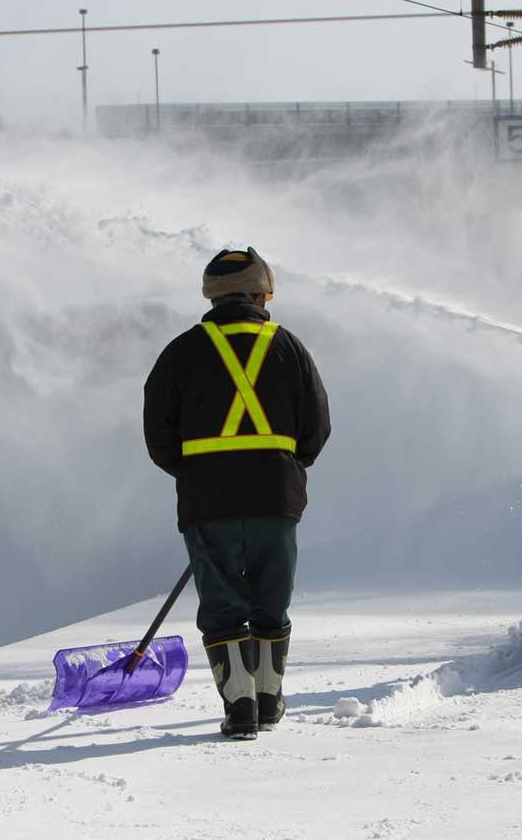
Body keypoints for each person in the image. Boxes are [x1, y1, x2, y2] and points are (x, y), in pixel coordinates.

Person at [143, 247, 331, 739]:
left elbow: (158, 436)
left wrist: (196, 476)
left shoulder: (180, 352)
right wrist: (286, 468)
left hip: (208, 503)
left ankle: (241, 709)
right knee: (273, 597)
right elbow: (317, 427)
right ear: (259, 291)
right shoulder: (289, 347)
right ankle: (269, 701)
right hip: (276, 498)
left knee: (223, 603)